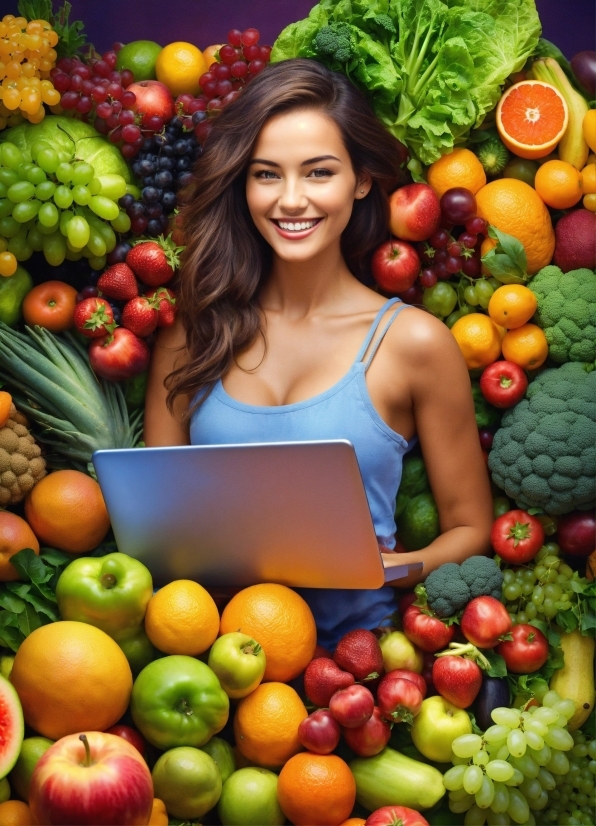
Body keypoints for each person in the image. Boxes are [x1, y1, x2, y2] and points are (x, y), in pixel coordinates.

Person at [144, 59, 493, 650]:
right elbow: (157, 522)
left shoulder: (412, 343)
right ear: (242, 184)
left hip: (360, 676)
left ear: (360, 180)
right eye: (266, 175)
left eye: (318, 172)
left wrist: (389, 568)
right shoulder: (193, 332)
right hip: (205, 667)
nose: (291, 200)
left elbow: (469, 530)